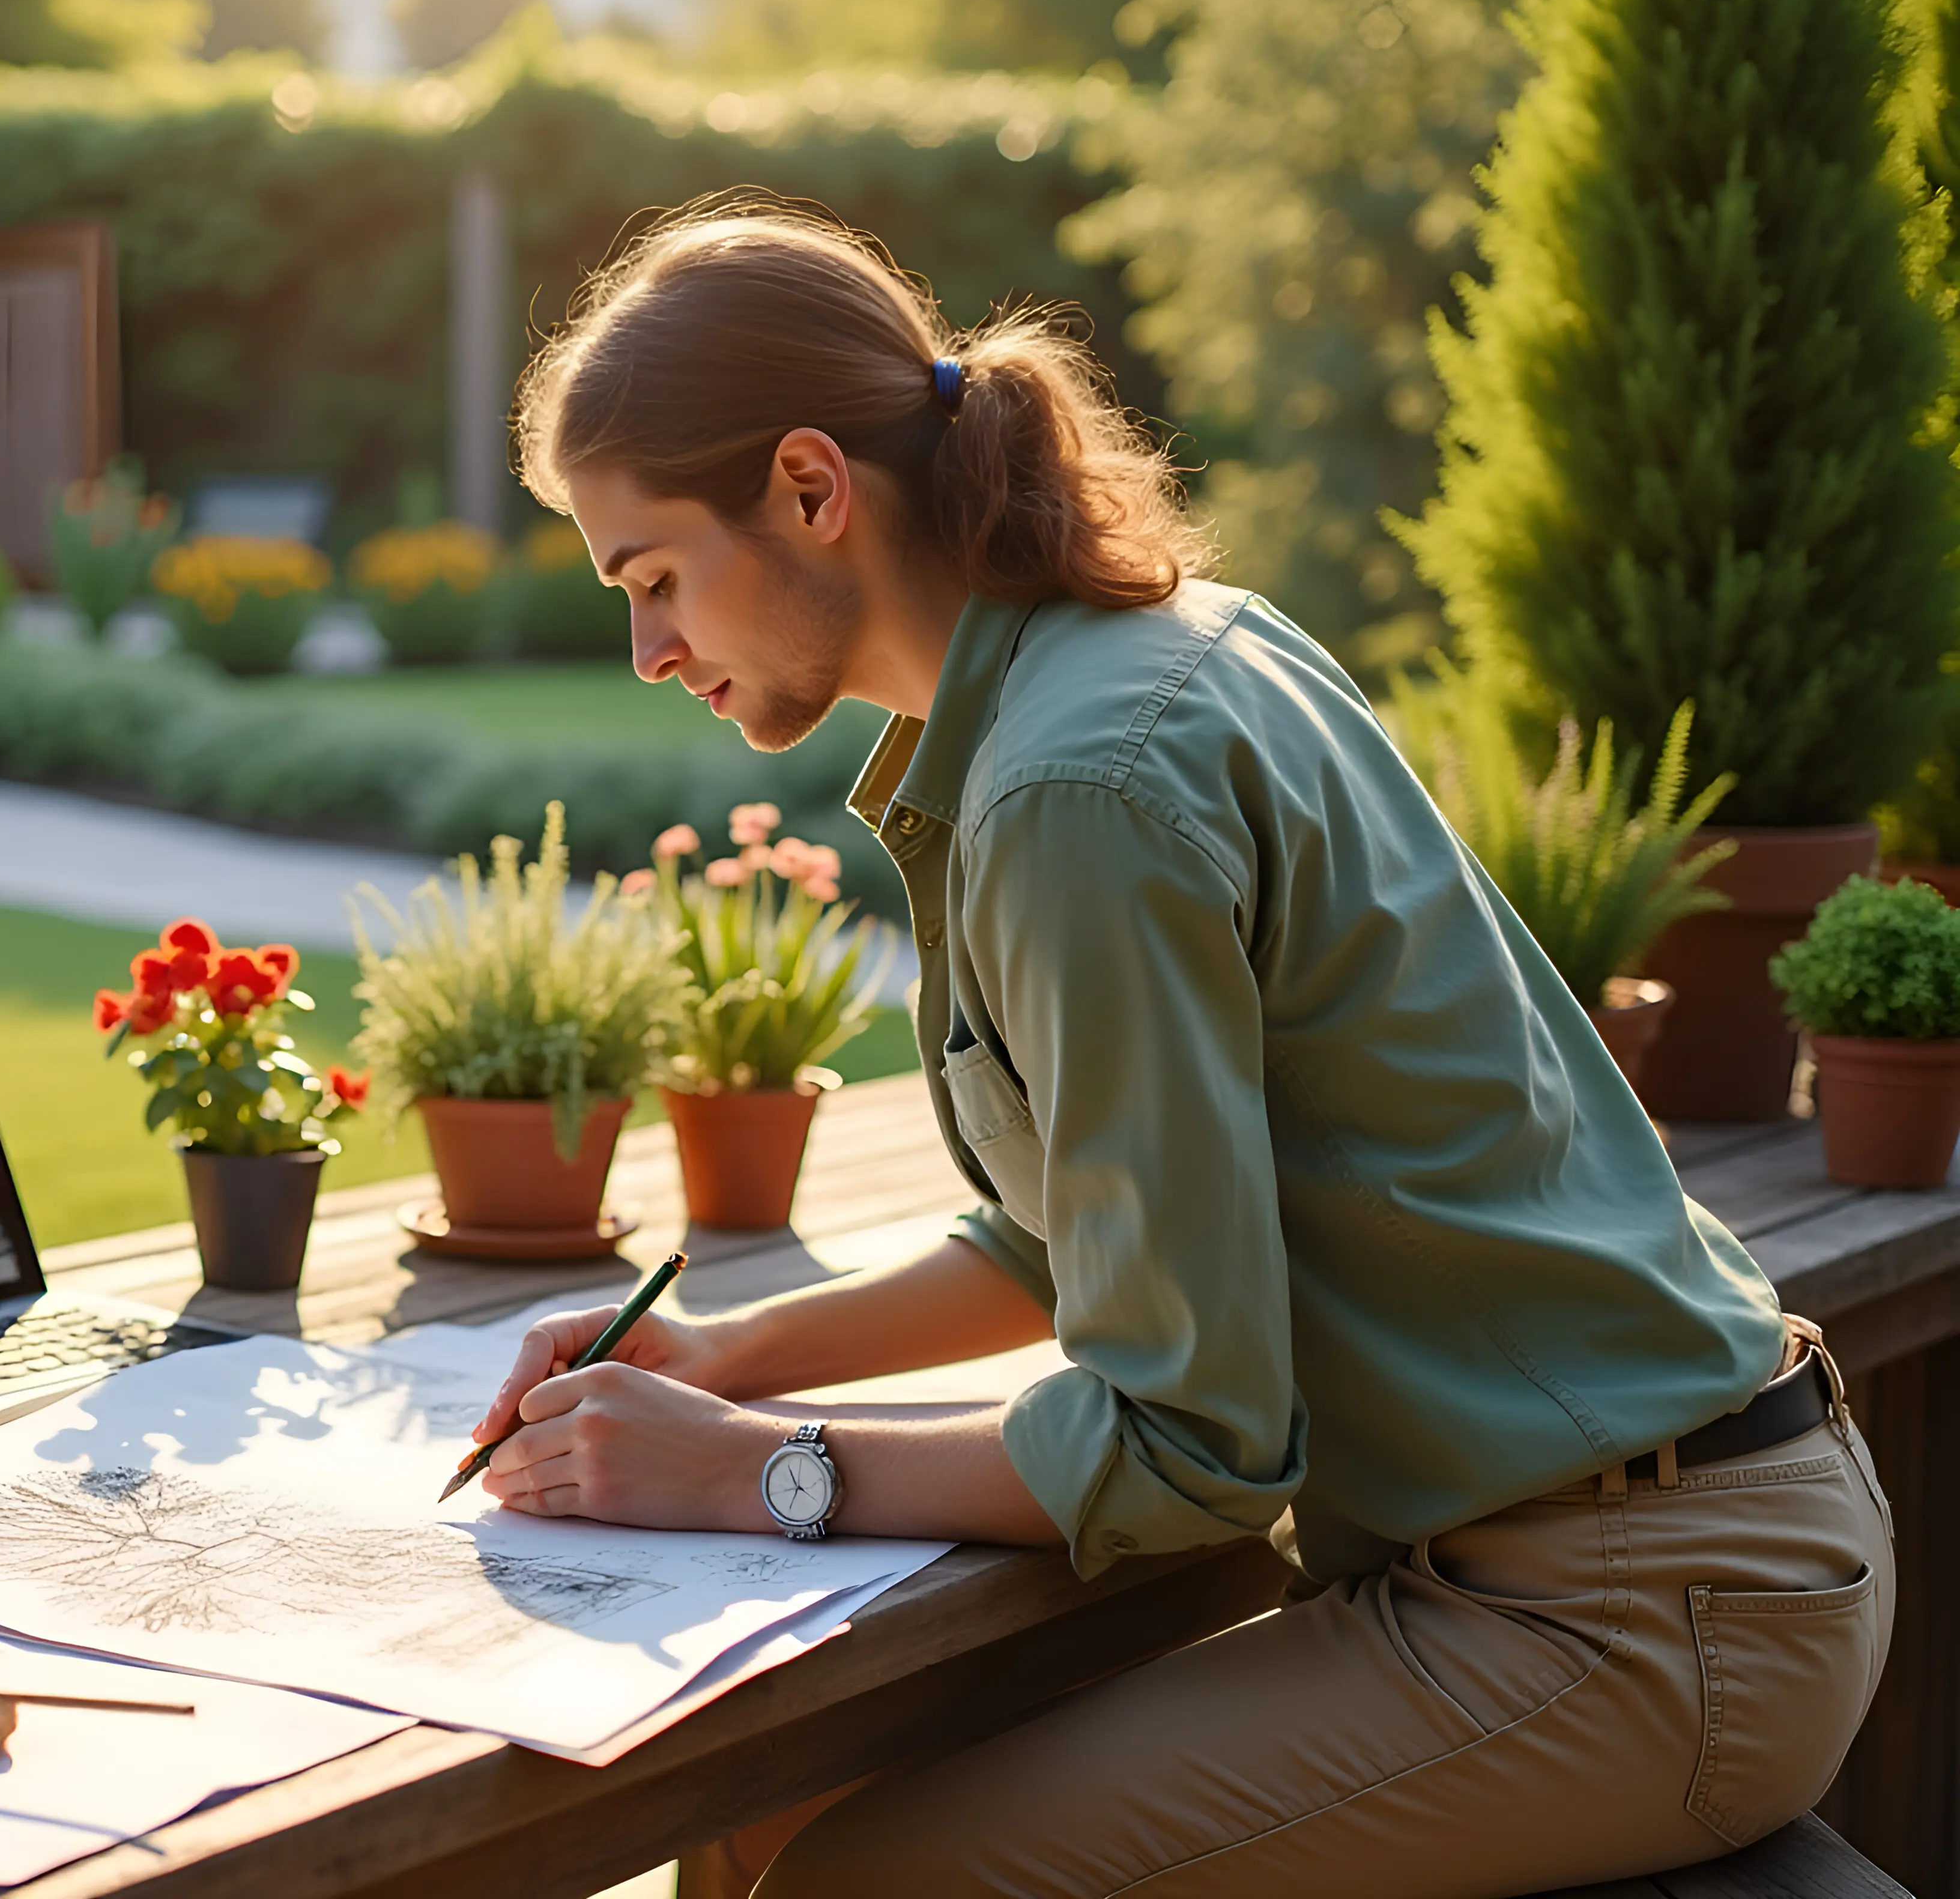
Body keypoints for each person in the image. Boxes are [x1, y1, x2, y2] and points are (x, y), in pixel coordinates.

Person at [464, 197, 1894, 1896]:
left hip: (1637, 1619)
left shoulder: (1078, 785)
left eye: (653, 580)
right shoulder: (1155, 657)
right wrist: (726, 1360)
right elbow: (1072, 1231)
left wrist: (757, 1477)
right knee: (774, 1811)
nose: (648, 653)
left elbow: (1197, 1446)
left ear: (808, 488)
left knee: (864, 1882)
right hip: (1650, 1545)